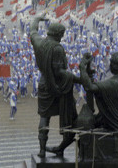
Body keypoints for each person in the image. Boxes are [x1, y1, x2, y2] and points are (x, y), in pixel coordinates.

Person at [30, 19, 82, 157]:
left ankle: (42, 150)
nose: (62, 36)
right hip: (59, 87)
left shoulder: (39, 42)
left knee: (44, 117)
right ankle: (63, 147)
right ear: (58, 33)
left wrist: (37, 18)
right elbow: (59, 71)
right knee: (70, 116)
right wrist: (78, 78)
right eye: (62, 34)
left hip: (43, 84)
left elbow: (32, 30)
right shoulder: (57, 48)